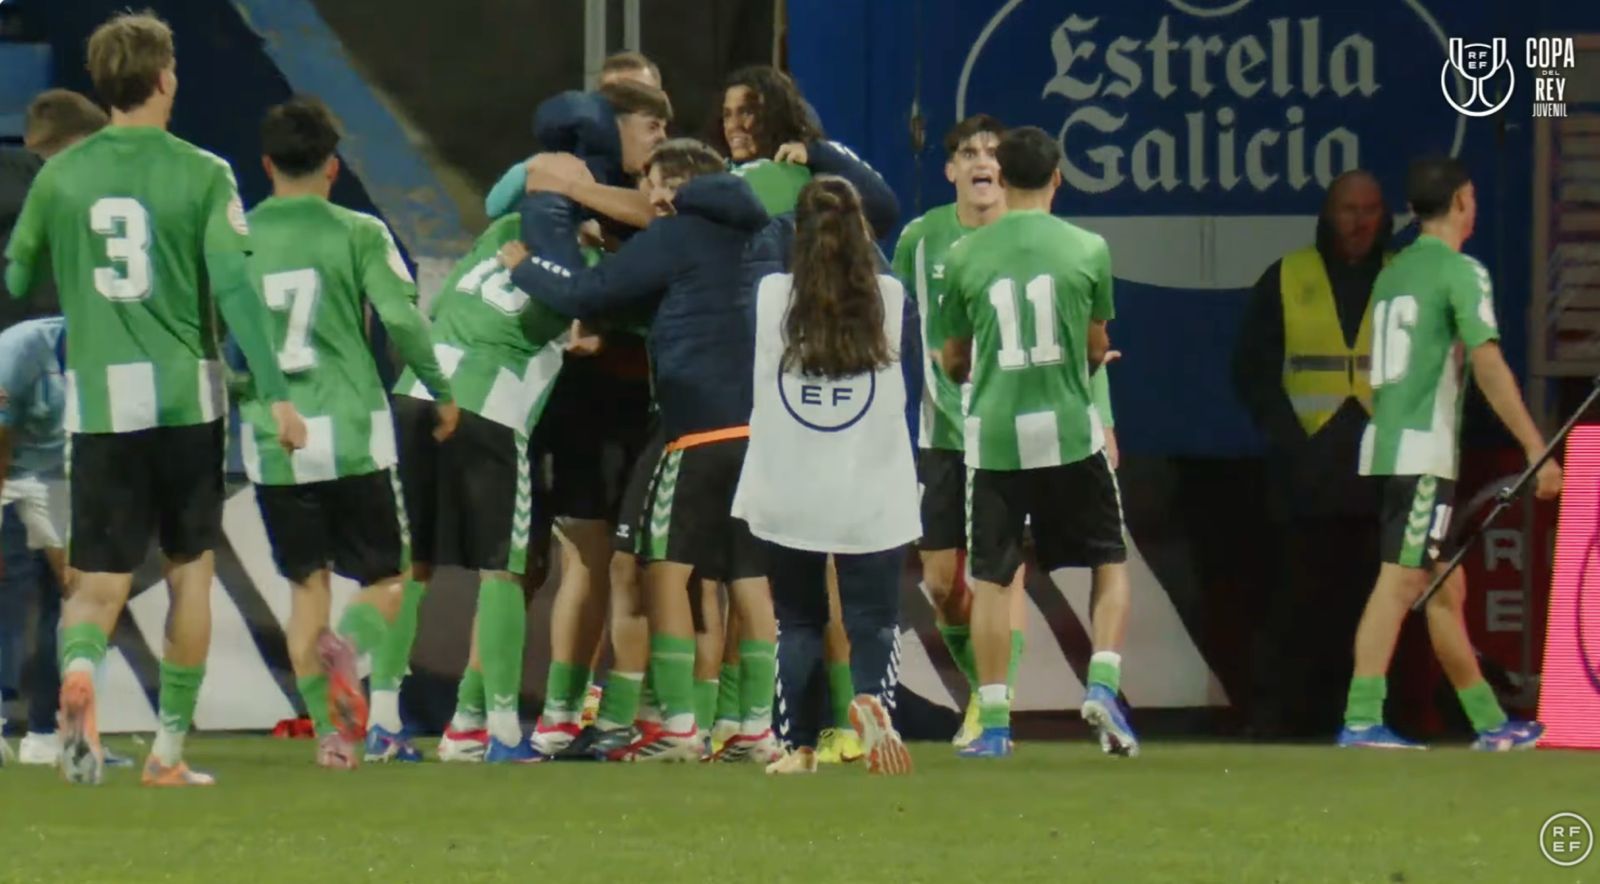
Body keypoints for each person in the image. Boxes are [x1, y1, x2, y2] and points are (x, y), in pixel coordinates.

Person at [4, 11, 309, 786]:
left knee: (97, 582)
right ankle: (168, 754)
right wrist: (272, 393)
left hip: (101, 406)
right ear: (167, 77)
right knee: (189, 574)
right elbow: (237, 288)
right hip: (185, 400)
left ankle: (78, 679)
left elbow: (14, 274)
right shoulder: (204, 172)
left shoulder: (61, 176)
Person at [504, 138, 781, 763]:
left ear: (672, 191)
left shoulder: (675, 233)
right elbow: (680, 300)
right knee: (749, 577)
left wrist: (526, 264)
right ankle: (754, 729)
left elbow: (583, 295)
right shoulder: (762, 236)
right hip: (764, 433)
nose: (645, 200)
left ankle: (677, 727)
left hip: (696, 431)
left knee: (663, 572)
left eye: (654, 187)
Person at [241, 98, 457, 768]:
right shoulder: (358, 231)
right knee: (387, 579)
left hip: (277, 435)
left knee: (307, 588)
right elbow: (402, 318)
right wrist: (440, 391)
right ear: (334, 167)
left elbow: (217, 341)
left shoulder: (236, 238)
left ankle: (333, 739)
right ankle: (353, 650)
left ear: (266, 164)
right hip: (353, 428)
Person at [1337, 154, 1555, 752]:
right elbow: (1486, 364)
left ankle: (1489, 725)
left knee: (1443, 588)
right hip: (1420, 452)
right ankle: (1360, 719)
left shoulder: (1394, 272)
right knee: (1400, 582)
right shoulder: (1460, 271)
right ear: (1461, 200)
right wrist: (1536, 448)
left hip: (1385, 444)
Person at [939, 126, 1135, 760]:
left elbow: (952, 360)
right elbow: (1096, 346)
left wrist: (981, 366)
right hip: (1070, 431)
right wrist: (1092, 359)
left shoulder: (966, 254)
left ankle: (994, 723)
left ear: (1004, 176)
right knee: (1108, 560)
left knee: (994, 579)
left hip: (996, 437)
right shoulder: (1088, 247)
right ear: (1057, 178)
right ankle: (1103, 683)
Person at [732, 175, 920, 775]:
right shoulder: (888, 298)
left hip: (789, 488)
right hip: (871, 488)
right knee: (874, 622)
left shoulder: (770, 298)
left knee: (800, 621)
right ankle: (872, 706)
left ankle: (799, 748)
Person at [1232, 170, 1391, 739]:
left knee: (1377, 599)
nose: (1360, 221)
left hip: (1382, 460)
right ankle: (1281, 718)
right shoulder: (1287, 275)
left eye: (1371, 209)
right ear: (1328, 214)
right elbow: (1253, 368)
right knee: (1297, 600)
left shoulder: (1402, 277)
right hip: (1307, 465)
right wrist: (1287, 438)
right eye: (1349, 209)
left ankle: (1366, 715)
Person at [0, 89, 106, 767]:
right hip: (35, 430)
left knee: (21, 587)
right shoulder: (68, 200)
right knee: (44, 588)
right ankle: (41, 730)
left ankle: (36, 727)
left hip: (20, 427)